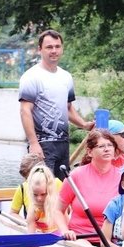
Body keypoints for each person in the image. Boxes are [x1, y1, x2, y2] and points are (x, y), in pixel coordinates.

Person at [18, 29, 93, 180]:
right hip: (42, 145)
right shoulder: (31, 77)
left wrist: (84, 125)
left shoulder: (66, 77)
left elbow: (68, 108)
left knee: (61, 188)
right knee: (42, 188)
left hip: (63, 143)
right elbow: (25, 111)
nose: (54, 51)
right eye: (49, 47)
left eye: (57, 46)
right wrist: (33, 143)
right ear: (40, 49)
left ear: (62, 48)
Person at [54, 128, 122, 241]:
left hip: (111, 241)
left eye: (110, 145)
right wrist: (65, 231)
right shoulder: (75, 176)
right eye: (101, 146)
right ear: (90, 152)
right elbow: (58, 210)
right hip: (80, 239)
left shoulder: (123, 177)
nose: (107, 149)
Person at [9, 153, 43, 221]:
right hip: (32, 226)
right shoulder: (22, 188)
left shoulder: (56, 183)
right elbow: (13, 213)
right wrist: (24, 222)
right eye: (26, 178)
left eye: (30, 177)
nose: (29, 182)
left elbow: (67, 210)